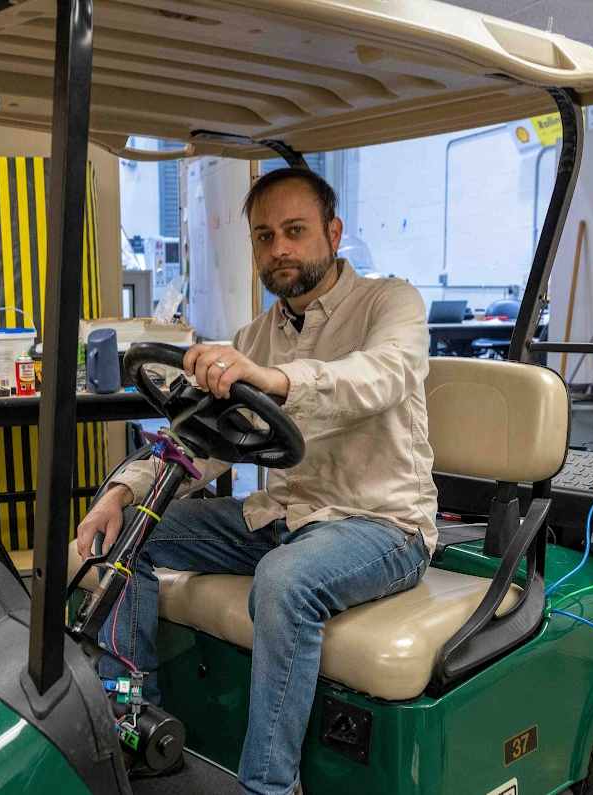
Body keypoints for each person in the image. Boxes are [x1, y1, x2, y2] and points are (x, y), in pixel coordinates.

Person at [76, 168, 436, 795]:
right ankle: (132, 724)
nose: (279, 250)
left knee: (284, 581)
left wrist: (278, 380)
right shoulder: (257, 335)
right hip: (283, 520)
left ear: (334, 232)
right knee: (126, 536)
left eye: (295, 231)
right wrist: (122, 490)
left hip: (382, 525)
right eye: (265, 236)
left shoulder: (390, 303)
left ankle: (268, 786)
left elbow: (383, 374)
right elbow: (200, 440)